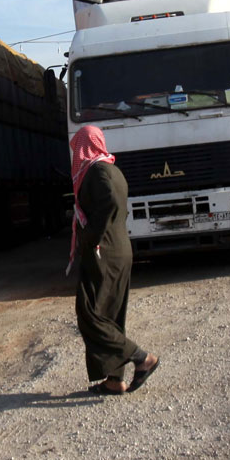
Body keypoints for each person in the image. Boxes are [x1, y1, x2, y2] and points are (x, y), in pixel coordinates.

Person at [68, 125, 158, 395]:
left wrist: (91, 237)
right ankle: (114, 379)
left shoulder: (97, 172)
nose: (76, 154)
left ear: (85, 146)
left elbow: (109, 203)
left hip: (103, 251)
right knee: (110, 314)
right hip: (118, 248)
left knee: (89, 313)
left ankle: (142, 358)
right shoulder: (112, 168)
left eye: (78, 147)